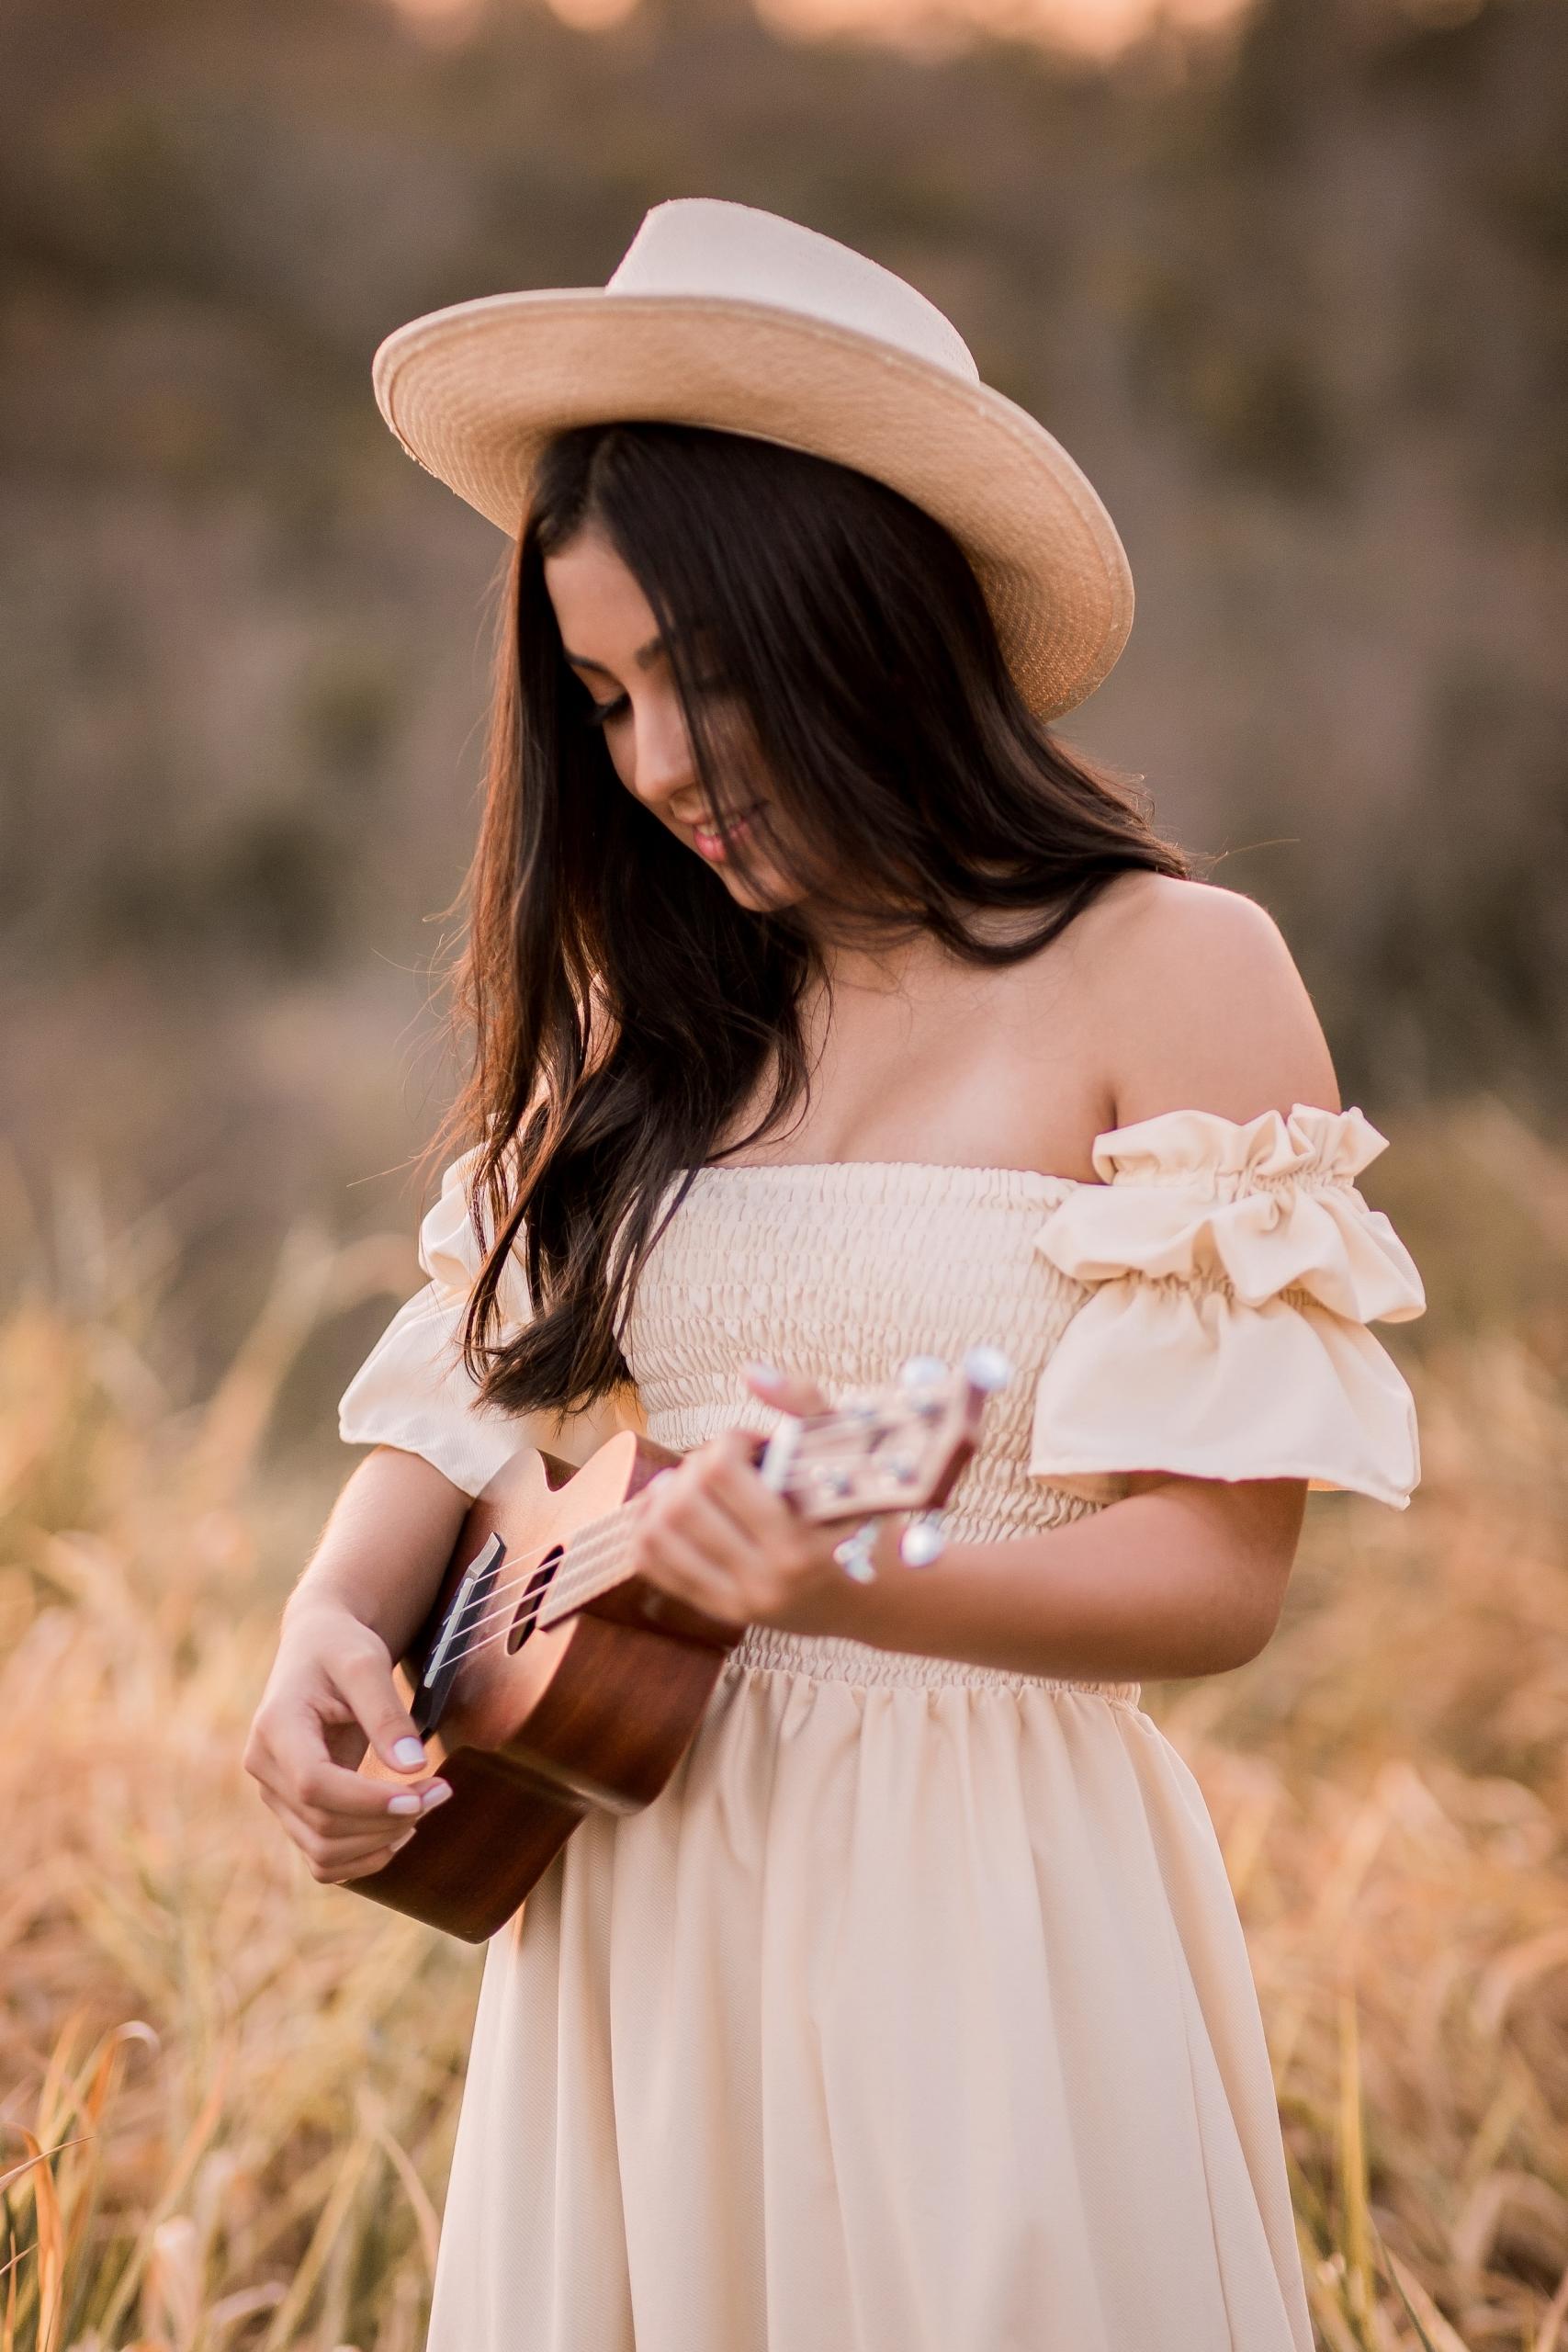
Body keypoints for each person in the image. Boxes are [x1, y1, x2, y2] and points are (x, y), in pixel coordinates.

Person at [243, 198, 1427, 2351]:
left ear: (864, 620)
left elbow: (1216, 1580)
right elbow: (460, 1401)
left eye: (696, 673)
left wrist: (837, 1568)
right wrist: (326, 1628)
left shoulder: (1173, 971)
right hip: (626, 1899)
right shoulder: (648, 1016)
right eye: (601, 697)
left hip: (986, 1923)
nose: (655, 764)